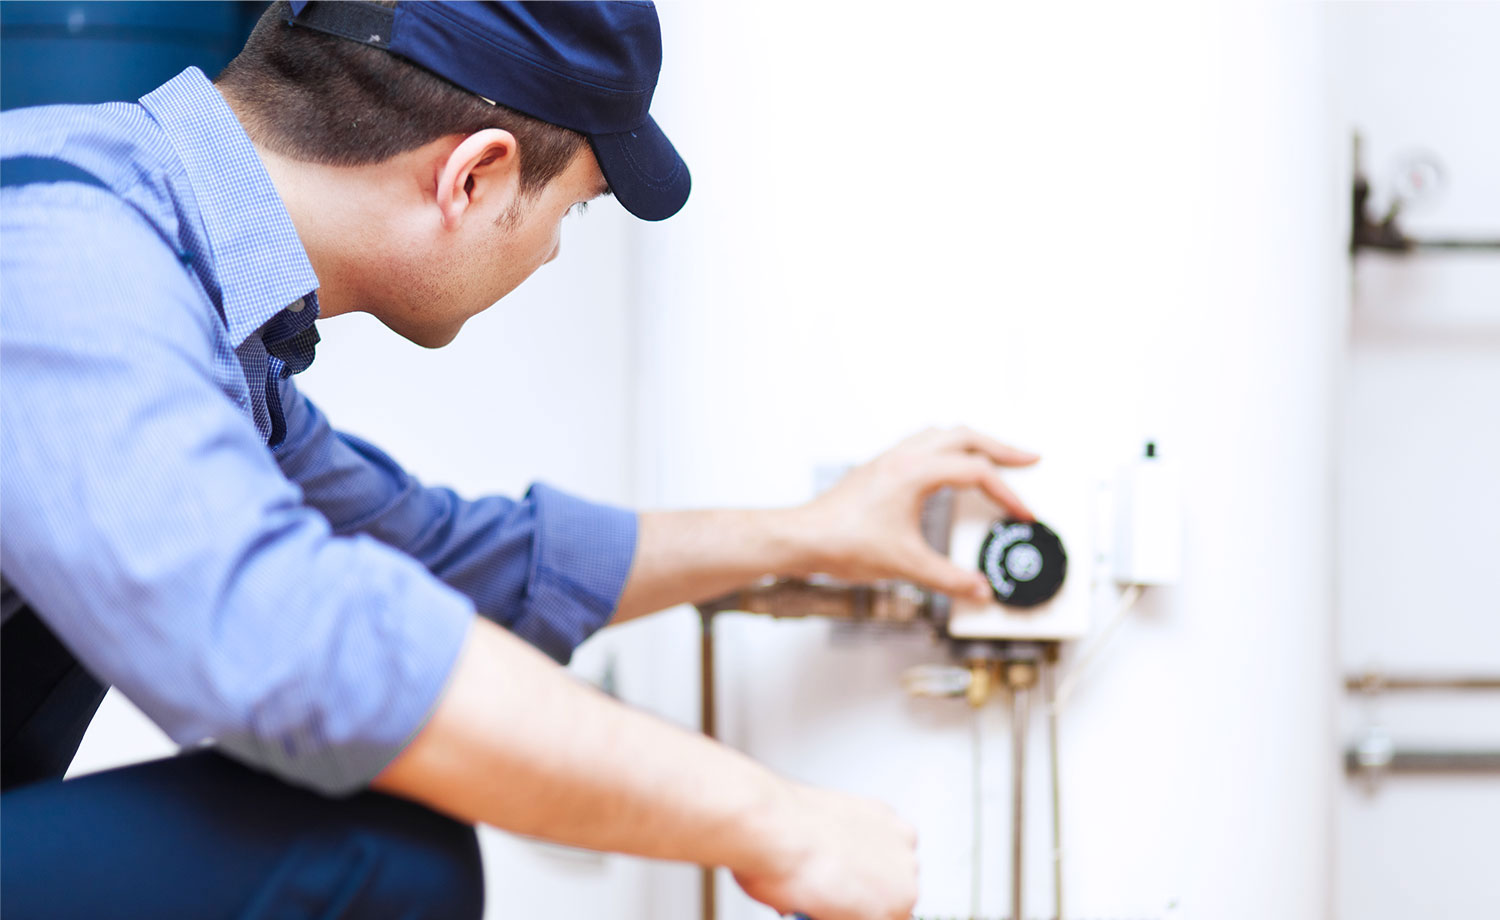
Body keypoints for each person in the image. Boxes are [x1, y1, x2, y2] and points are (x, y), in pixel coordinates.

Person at [0, 3, 1037, 918]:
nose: (549, 250)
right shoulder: (64, 248)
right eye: (572, 210)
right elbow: (297, 641)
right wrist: (772, 818)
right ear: (476, 174)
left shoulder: (194, 294)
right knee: (376, 852)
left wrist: (807, 536)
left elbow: (440, 557)